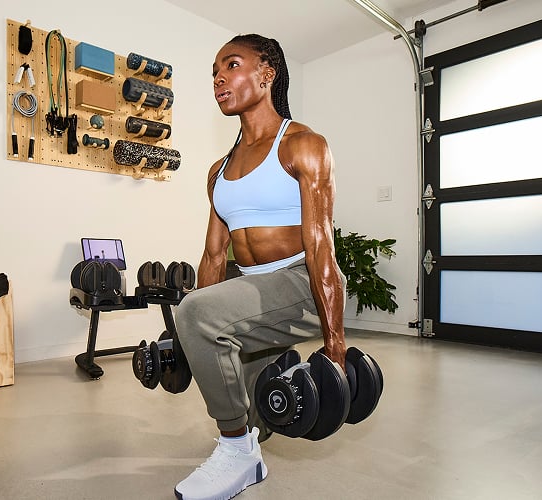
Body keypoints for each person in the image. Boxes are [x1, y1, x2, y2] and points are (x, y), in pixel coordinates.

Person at [173, 34, 348, 500]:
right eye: (214, 72)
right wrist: (189, 336)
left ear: (267, 74)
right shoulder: (218, 170)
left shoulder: (303, 145)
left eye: (231, 65)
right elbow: (213, 257)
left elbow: (321, 246)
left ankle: (237, 453)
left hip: (300, 282)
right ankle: (259, 407)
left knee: (196, 314)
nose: (219, 79)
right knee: (260, 418)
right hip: (252, 289)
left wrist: (335, 345)